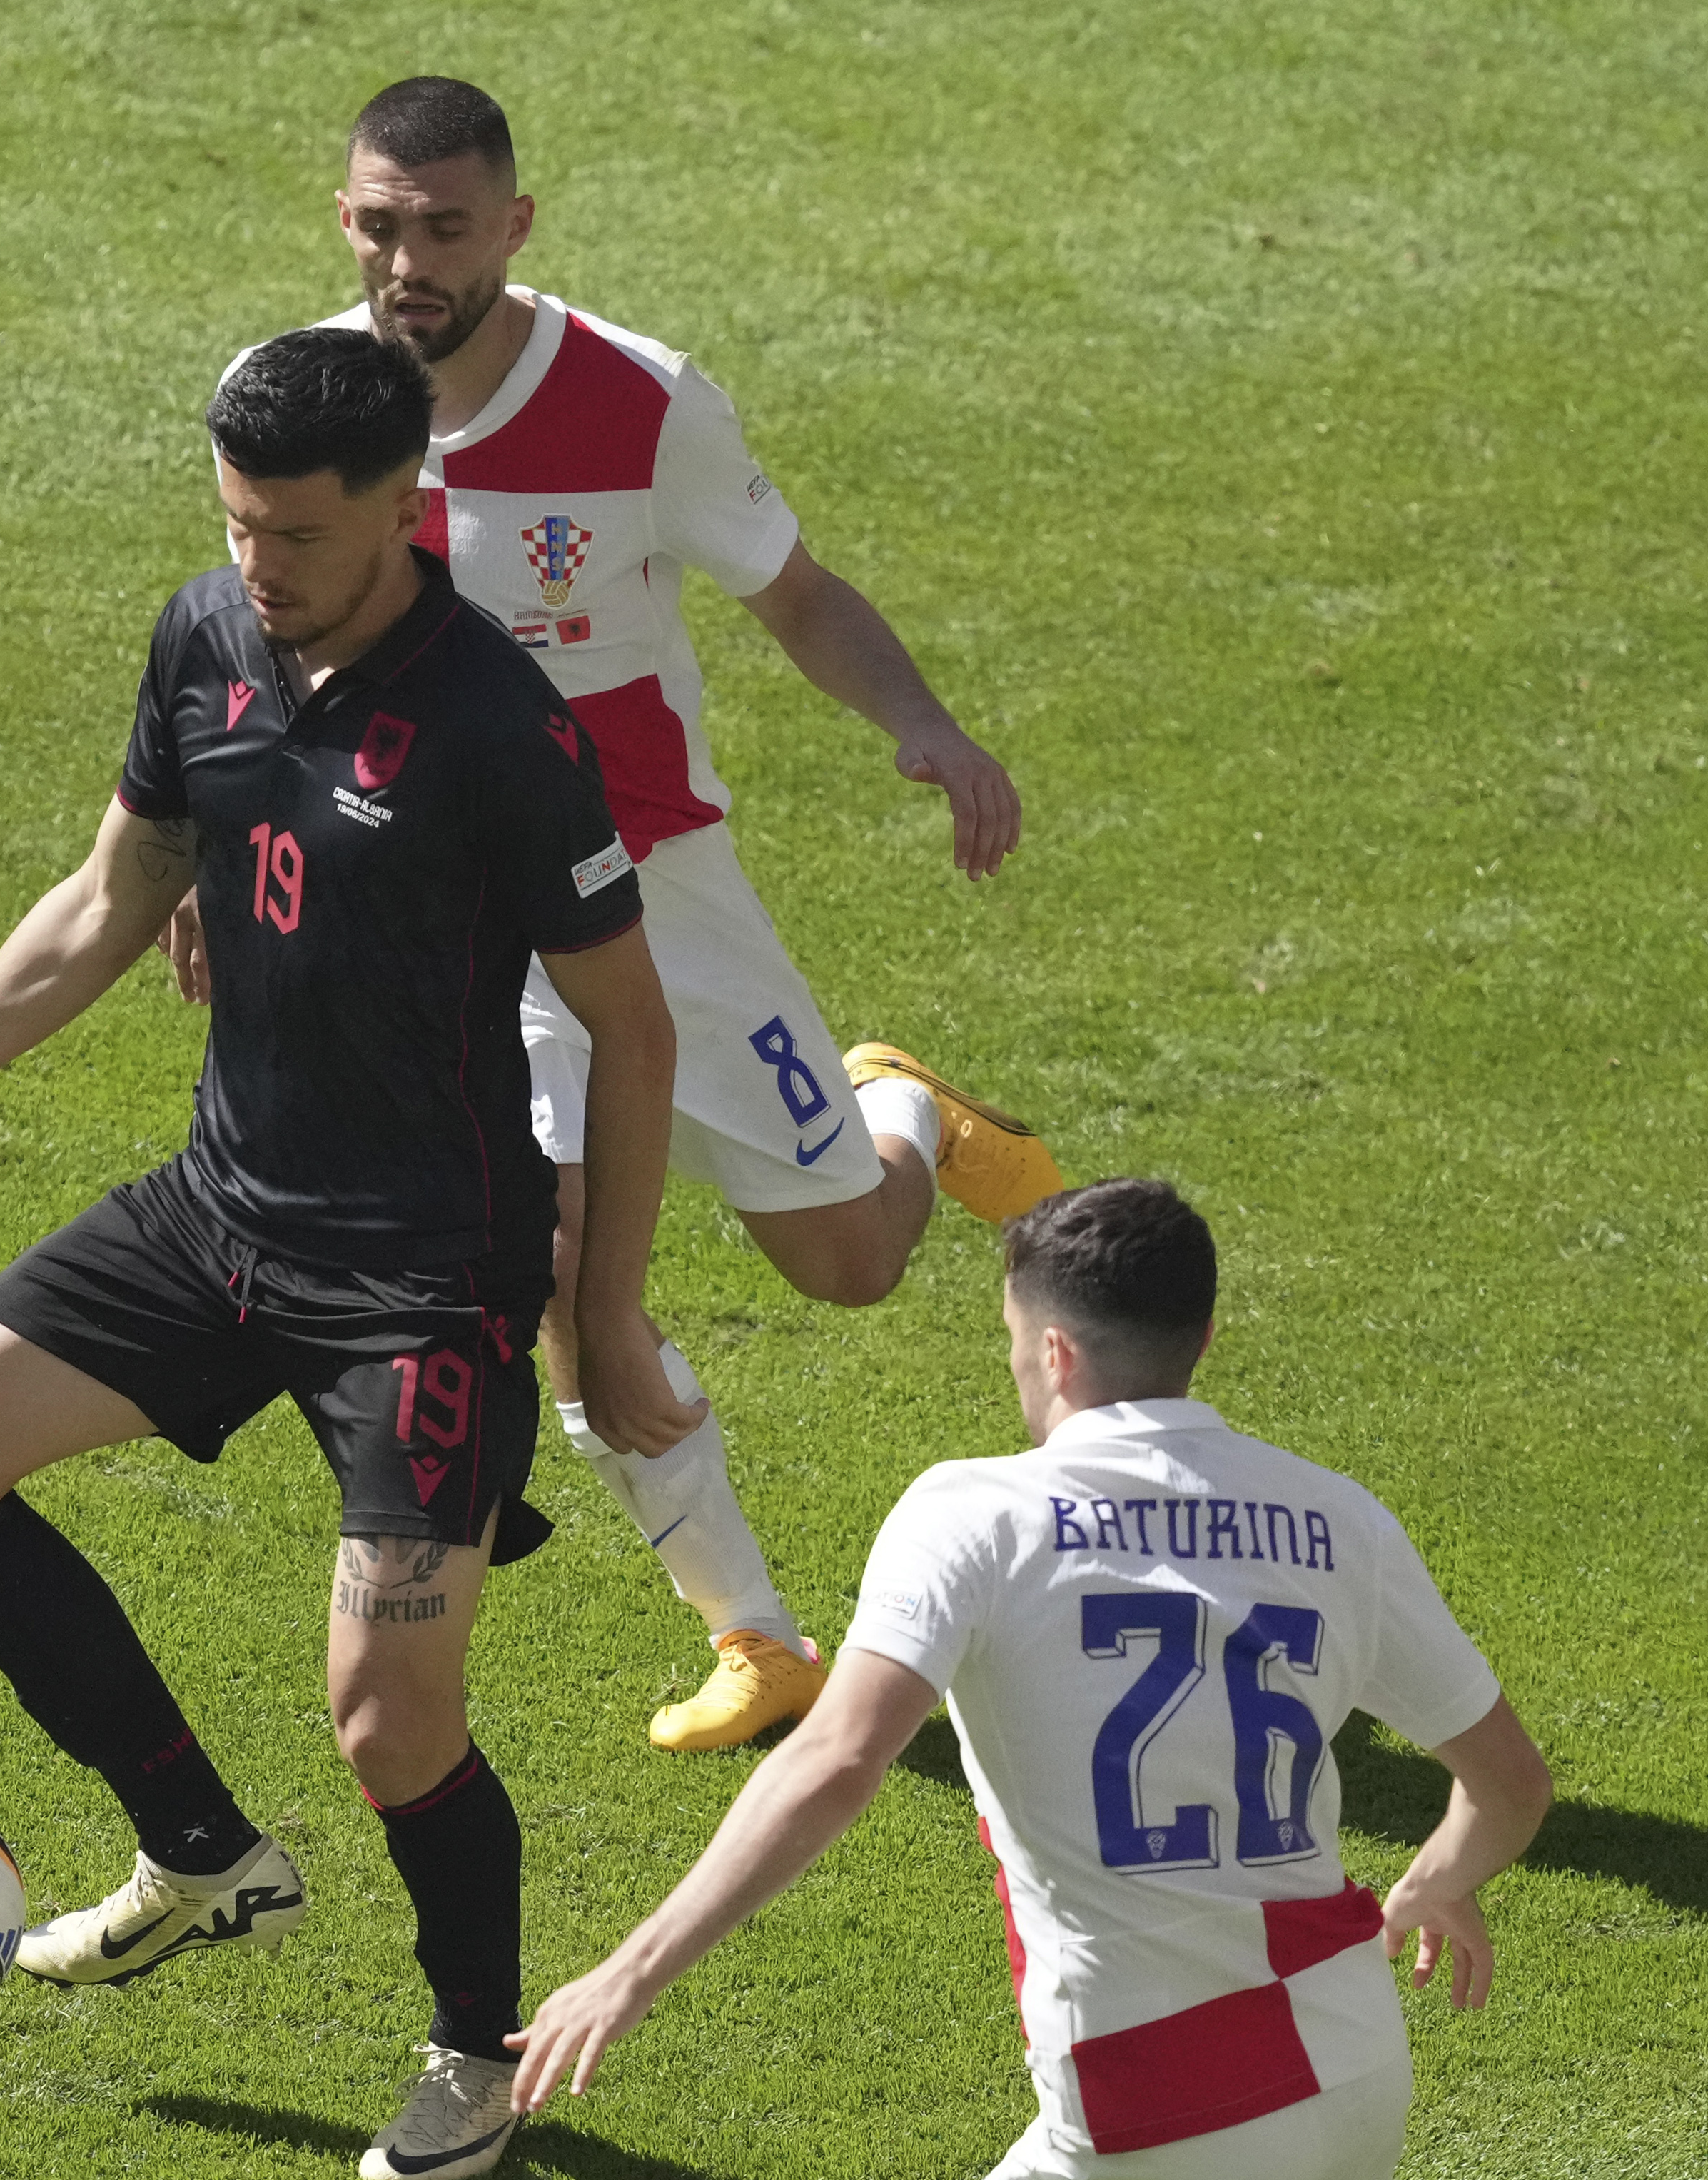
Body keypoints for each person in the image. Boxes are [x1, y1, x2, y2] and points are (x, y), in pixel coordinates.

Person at [0, 328, 697, 2180]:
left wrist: (597, 1315)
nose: (260, 566)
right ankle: (197, 1853)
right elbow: (105, 905)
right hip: (218, 1216)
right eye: (234, 523)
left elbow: (632, 1025)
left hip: (421, 1288)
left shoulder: (497, 731)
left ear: (401, 504)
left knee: (389, 1714)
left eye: (297, 533)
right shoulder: (204, 637)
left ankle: (475, 2055)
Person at [179, 76, 1067, 1755]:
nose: (407, 259)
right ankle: (758, 1636)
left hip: (653, 887)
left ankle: (906, 1118)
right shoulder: (291, 400)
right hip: (447, 911)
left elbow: (792, 591)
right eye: (378, 221)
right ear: (341, 215)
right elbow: (265, 637)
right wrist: (230, 867)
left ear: (513, 226)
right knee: (556, 1270)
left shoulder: (637, 402)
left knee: (847, 1265)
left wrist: (922, 724)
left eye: (445, 226)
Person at [510, 1180, 1555, 2180]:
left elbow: (838, 1758)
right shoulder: (1339, 1519)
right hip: (1347, 2033)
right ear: (1202, 1338)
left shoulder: (976, 1513)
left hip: (1159, 2077)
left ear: (1052, 1349)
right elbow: (1509, 1785)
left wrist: (628, 1970)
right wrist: (1435, 1884)